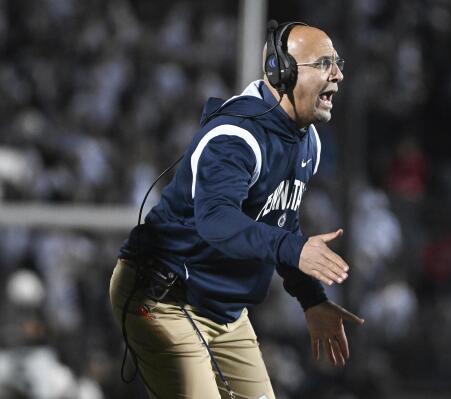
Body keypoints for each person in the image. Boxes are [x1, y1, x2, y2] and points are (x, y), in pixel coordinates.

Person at [109, 20, 364, 399]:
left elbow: (280, 223)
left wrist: (311, 299)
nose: (338, 74)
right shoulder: (236, 136)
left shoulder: (307, 139)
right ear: (283, 72)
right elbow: (217, 221)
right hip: (163, 297)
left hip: (225, 308)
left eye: (337, 62)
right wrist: (295, 249)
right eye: (324, 63)